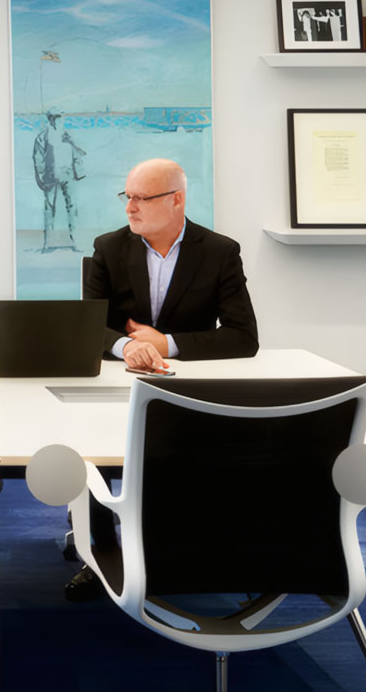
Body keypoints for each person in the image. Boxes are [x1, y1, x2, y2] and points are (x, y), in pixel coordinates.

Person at [67, 157, 260, 601]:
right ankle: (98, 554)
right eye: (127, 196)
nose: (130, 207)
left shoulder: (219, 252)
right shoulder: (109, 248)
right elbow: (89, 325)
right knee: (94, 449)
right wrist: (126, 346)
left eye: (141, 198)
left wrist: (166, 343)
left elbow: (243, 337)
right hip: (116, 385)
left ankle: (181, 546)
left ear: (176, 201)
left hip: (185, 387)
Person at [32, 107, 84, 252]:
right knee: (49, 208)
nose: (58, 120)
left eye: (60, 117)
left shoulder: (68, 136)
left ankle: (75, 241)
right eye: (54, 117)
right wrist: (40, 177)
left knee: (72, 207)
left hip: (68, 175)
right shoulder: (42, 137)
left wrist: (79, 172)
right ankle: (48, 243)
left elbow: (79, 153)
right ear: (49, 119)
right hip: (50, 176)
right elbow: (38, 159)